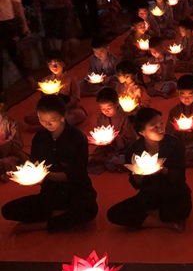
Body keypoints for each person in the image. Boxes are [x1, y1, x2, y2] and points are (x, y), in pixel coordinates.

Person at [2, 95, 98, 233]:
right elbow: (35, 165)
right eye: (42, 120)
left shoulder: (77, 138)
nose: (47, 124)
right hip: (51, 194)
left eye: (52, 120)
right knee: (7, 210)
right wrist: (26, 172)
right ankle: (58, 215)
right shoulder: (39, 138)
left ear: (63, 115)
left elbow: (75, 174)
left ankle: (42, 224)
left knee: (89, 210)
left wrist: (46, 175)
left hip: (76, 192)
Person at [107, 107, 191, 231]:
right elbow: (135, 184)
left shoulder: (174, 144)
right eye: (154, 127)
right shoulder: (134, 150)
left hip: (174, 193)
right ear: (142, 132)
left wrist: (163, 170)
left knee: (182, 210)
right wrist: (138, 178)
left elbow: (180, 178)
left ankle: (149, 215)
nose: (161, 129)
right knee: (114, 213)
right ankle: (166, 224)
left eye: (161, 124)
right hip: (150, 195)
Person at [88, 87, 137, 174]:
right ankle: (108, 160)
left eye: (109, 107)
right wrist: (100, 140)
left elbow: (130, 137)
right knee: (90, 159)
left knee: (128, 159)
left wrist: (115, 139)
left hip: (124, 148)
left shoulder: (126, 117)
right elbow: (100, 133)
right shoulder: (100, 118)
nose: (106, 111)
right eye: (102, 109)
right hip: (107, 148)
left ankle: (109, 161)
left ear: (117, 103)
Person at [0, 0, 32, 89]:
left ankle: (28, 78)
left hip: (8, 22)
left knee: (15, 52)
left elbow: (17, 4)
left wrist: (24, 23)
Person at [0, 91, 28, 178]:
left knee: (8, 163)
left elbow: (17, 144)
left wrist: (3, 147)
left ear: (1, 106)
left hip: (9, 154)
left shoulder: (10, 123)